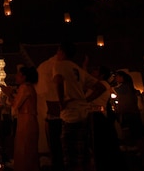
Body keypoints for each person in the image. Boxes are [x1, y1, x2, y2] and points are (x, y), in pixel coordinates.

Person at [54, 40, 106, 171]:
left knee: (71, 154)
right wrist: (85, 100)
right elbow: (100, 88)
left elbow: (59, 83)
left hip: (70, 113)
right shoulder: (77, 69)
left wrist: (61, 102)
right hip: (84, 112)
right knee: (85, 152)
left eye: (58, 51)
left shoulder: (59, 65)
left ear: (62, 52)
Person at [88, 66, 128, 171]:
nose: (92, 72)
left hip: (98, 115)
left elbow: (89, 98)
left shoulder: (103, 85)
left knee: (102, 144)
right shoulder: (97, 85)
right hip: (97, 115)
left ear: (101, 75)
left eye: (95, 70)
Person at [2, 65, 40, 171]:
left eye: (18, 74)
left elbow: (15, 105)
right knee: (29, 150)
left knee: (24, 150)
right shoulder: (29, 87)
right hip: (28, 120)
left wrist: (9, 94)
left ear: (24, 77)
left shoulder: (24, 87)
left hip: (26, 121)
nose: (16, 76)